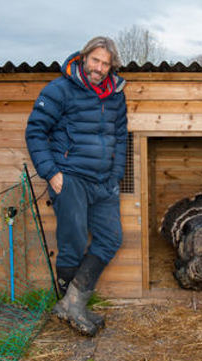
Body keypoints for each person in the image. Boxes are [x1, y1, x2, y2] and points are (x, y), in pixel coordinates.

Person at [25, 36, 127, 337]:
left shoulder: (115, 95)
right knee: (73, 242)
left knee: (110, 238)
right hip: (71, 179)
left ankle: (71, 305)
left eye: (105, 63)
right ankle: (74, 308)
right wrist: (51, 172)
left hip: (104, 182)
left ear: (111, 67)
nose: (99, 68)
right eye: (95, 60)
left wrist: (116, 173)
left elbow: (121, 137)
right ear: (84, 58)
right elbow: (35, 132)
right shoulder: (60, 89)